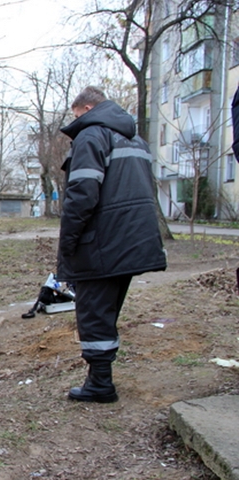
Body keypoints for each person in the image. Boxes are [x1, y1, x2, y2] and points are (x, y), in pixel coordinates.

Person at [57, 86, 167, 403]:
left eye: (78, 116)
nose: (76, 123)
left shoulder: (92, 136)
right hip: (134, 241)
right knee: (106, 312)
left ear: (89, 108)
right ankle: (99, 377)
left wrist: (69, 245)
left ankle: (100, 384)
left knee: (93, 313)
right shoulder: (136, 139)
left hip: (102, 242)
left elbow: (82, 195)